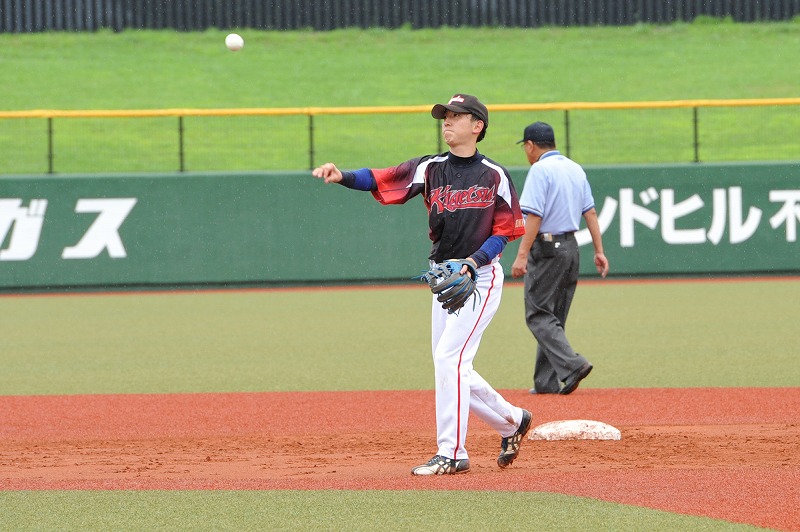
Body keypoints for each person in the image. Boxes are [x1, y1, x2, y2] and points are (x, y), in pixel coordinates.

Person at [312, 93, 532, 476]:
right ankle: (512, 420)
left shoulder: (493, 175)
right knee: (450, 365)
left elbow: (506, 230)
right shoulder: (430, 168)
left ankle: (452, 452)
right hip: (444, 278)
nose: (447, 121)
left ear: (477, 126)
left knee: (450, 360)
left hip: (479, 278)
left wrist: (473, 262)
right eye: (445, 116)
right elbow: (380, 177)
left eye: (456, 116)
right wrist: (342, 176)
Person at [511, 121, 609, 395]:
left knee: (538, 315)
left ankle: (574, 364)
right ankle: (546, 382)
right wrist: (599, 251)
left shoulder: (540, 169)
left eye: (525, 147)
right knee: (554, 316)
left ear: (530, 145)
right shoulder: (575, 168)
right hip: (570, 247)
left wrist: (521, 256)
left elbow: (535, 215)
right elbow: (590, 213)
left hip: (547, 248)